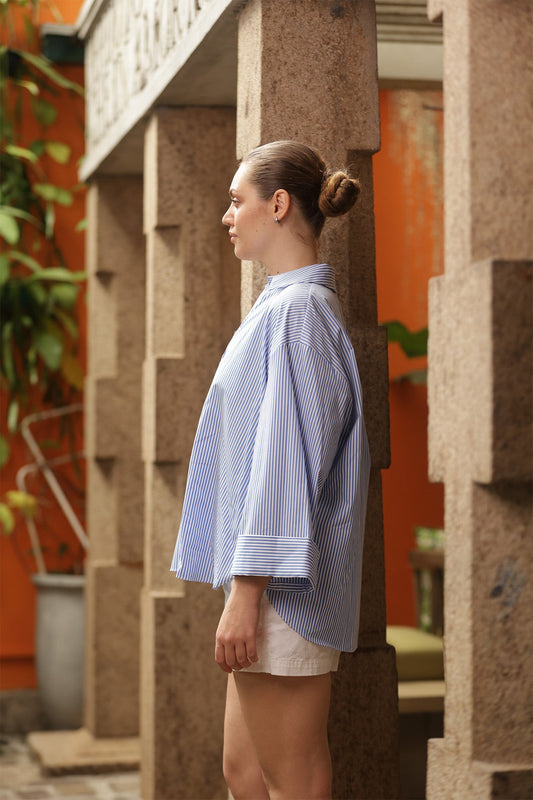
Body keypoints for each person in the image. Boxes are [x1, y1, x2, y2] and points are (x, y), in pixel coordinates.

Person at [170, 140, 370, 800]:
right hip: (267, 586)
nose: (226, 216)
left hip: (283, 592)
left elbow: (285, 463)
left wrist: (247, 592)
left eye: (237, 201)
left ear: (278, 204)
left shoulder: (298, 313)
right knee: (245, 773)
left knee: (292, 780)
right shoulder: (282, 306)